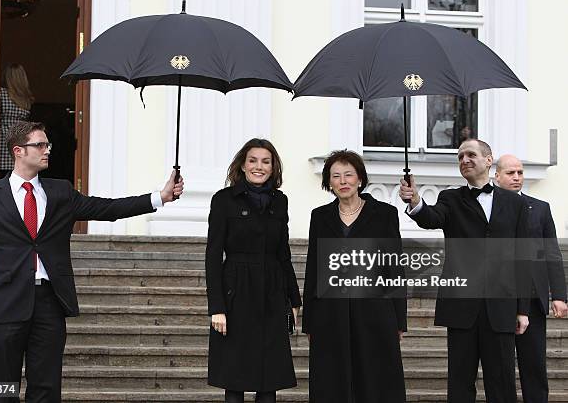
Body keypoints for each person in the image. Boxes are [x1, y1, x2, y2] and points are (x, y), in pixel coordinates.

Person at [0, 121, 184, 403]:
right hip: (7, 304)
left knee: (47, 389)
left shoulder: (61, 192)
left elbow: (108, 208)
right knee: (2, 390)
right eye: (39, 145)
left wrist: (159, 197)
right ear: (18, 151)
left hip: (49, 303)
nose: (46, 150)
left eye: (47, 145)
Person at [399, 139, 530, 403]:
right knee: (460, 382)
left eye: (471, 155)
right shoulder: (451, 198)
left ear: (489, 160)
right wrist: (415, 200)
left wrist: (523, 309)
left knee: (502, 382)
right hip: (462, 305)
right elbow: (432, 217)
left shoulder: (514, 203)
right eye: (460, 157)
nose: (464, 160)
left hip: (501, 305)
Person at [302, 150, 407, 402]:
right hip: (331, 312)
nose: (343, 181)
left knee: (375, 379)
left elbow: (394, 268)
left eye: (349, 175)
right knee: (332, 381)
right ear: (329, 182)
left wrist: (399, 318)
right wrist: (309, 319)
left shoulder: (384, 214)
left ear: (360, 178)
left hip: (374, 311)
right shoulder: (320, 216)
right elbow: (313, 268)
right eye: (336, 176)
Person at [205, 138, 301, 403]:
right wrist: (217, 307)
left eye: (266, 161)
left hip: (272, 291)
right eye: (253, 160)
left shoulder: (280, 201)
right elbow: (213, 255)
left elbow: (284, 253)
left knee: (269, 377)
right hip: (235, 290)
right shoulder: (224, 200)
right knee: (233, 377)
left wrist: (294, 299)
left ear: (273, 167)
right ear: (243, 165)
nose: (259, 166)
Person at [495, 154, 567, 403]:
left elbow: (552, 253)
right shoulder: (488, 206)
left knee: (534, 363)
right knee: (500, 367)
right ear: (497, 175)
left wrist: (558, 295)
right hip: (498, 296)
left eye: (520, 173)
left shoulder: (540, 207)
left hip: (534, 296)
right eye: (510, 173)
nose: (516, 178)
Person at [0, 63, 34, 179]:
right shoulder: (26, 98)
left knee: (1, 176)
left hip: (3, 138)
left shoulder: (1, 93)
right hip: (21, 138)